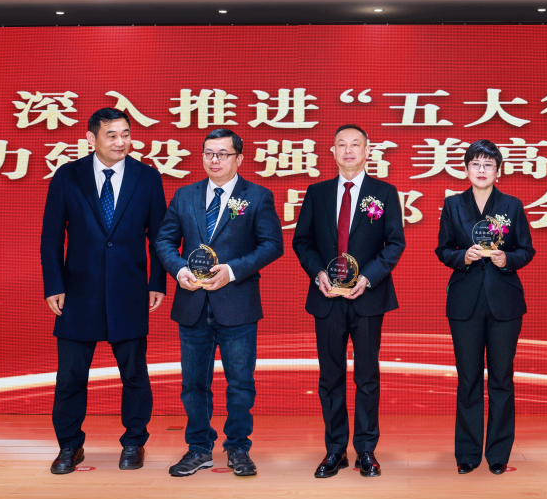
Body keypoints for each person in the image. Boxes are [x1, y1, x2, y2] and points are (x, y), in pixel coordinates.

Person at [40, 107, 167, 474]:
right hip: (78, 292)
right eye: (112, 135)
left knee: (134, 374)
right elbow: (51, 237)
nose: (120, 142)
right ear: (91, 138)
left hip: (129, 291)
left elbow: (159, 237)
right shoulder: (68, 176)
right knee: (71, 377)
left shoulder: (147, 177)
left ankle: (134, 442)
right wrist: (54, 285)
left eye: (125, 134)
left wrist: (157, 282)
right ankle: (69, 446)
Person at [153, 129, 283, 477]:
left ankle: (238, 447)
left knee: (240, 383)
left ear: (239, 158)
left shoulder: (257, 196)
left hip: (237, 304)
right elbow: (164, 241)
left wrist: (232, 271)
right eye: (209, 153)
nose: (215, 160)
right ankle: (198, 449)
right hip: (192, 303)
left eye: (223, 154)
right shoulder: (185, 195)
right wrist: (179, 269)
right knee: (193, 384)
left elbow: (272, 244)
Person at [291, 124, 406, 478]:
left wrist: (368, 277)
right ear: (333, 151)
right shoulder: (318, 193)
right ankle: (335, 450)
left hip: (367, 298)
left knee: (367, 376)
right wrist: (318, 273)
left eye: (356, 144)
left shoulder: (384, 192)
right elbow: (302, 241)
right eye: (342, 144)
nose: (349, 150)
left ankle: (366, 450)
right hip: (327, 297)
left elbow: (395, 243)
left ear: (368, 151)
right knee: (331, 376)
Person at [435, 140, 534, 475]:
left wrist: (508, 259)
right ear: (466, 169)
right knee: (469, 378)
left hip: (505, 302)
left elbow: (526, 250)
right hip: (465, 301)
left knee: (502, 378)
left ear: (498, 170)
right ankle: (467, 453)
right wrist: (462, 256)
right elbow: (443, 249)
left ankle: (498, 454)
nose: (481, 170)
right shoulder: (453, 205)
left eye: (488, 164)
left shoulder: (512, 205)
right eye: (475, 164)